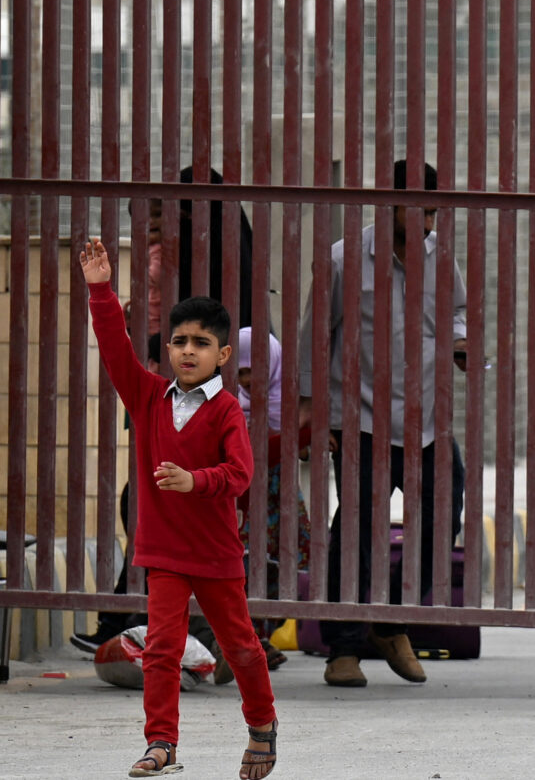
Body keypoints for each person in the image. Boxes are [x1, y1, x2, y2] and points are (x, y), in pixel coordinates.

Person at [78, 236, 279, 780]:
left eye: (201, 342)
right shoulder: (146, 397)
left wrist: (196, 481)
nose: (188, 351)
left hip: (215, 554)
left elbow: (240, 474)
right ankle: (161, 742)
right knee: (163, 648)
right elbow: (116, 348)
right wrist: (100, 292)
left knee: (241, 647)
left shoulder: (227, 412)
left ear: (223, 354)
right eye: (179, 341)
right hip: (163, 552)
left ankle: (262, 725)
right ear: (168, 350)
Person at [298, 159, 469, 688]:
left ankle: (390, 617)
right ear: (390, 203)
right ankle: (343, 649)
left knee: (444, 516)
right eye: (420, 205)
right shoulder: (345, 259)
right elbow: (314, 333)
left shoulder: (440, 257)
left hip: (428, 420)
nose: (430, 218)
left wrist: (461, 341)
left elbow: (457, 311)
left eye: (434, 207)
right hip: (363, 416)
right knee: (357, 532)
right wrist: (312, 409)